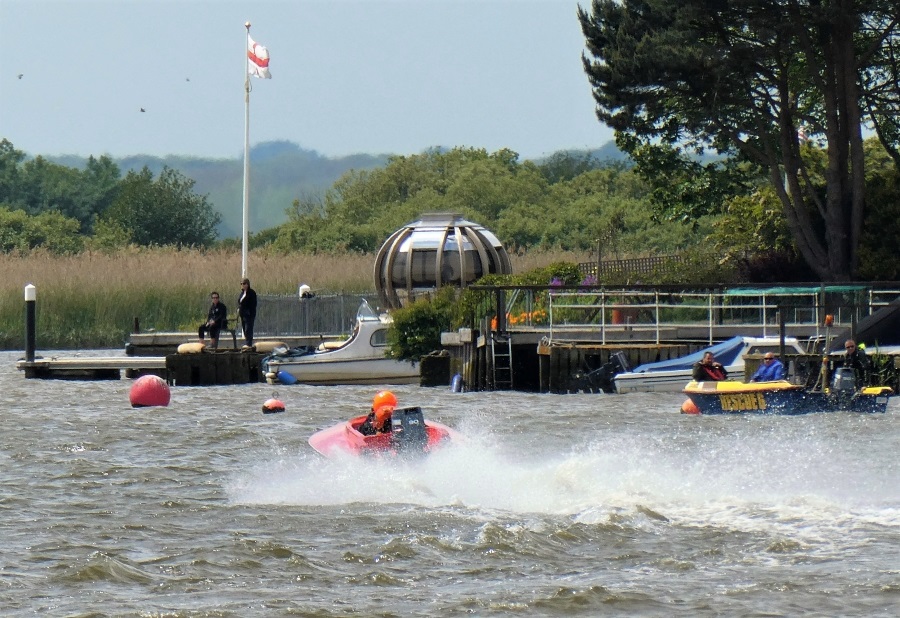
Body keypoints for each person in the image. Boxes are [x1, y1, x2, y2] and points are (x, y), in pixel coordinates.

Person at [237, 278, 258, 349]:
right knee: (244, 328)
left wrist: (248, 311)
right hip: (242, 314)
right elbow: (240, 302)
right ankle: (247, 342)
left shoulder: (251, 293)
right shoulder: (242, 293)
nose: (243, 285)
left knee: (248, 328)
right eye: (241, 284)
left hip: (249, 314)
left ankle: (249, 344)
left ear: (248, 284)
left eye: (244, 284)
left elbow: (253, 304)